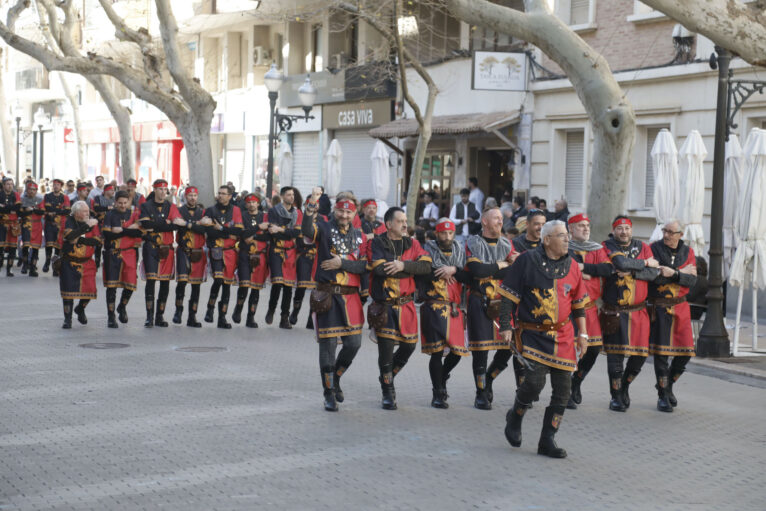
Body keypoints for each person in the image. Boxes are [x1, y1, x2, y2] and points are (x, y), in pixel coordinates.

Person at [498, 220, 589, 459]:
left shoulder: (574, 266)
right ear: (547, 239)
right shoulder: (526, 261)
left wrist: (584, 334)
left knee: (563, 391)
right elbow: (508, 296)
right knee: (535, 383)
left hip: (564, 336)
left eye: (567, 236)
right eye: (562, 236)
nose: (567, 240)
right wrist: (506, 327)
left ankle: (547, 439)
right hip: (533, 334)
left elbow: (579, 305)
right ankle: (516, 414)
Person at [302, 191, 367, 411]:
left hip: (351, 298)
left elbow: (363, 266)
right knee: (328, 347)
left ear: (354, 213)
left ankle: (336, 377)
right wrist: (311, 205)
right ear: (335, 211)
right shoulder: (324, 228)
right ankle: (328, 392)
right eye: (341, 211)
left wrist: (342, 263)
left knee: (354, 344)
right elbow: (307, 230)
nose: (345, 215)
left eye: (349, 212)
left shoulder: (360, 235)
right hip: (327, 295)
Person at [368, 207, 432, 410]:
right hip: (385, 306)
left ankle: (386, 377)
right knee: (386, 351)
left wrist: (404, 266)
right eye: (400, 221)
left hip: (407, 306)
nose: (405, 224)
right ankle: (388, 391)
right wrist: (410, 267)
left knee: (409, 346)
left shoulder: (413, 243)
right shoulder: (377, 242)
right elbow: (380, 269)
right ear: (388, 224)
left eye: (406, 221)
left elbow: (426, 267)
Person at [601, 216, 660, 412]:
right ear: (614, 230)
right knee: (616, 356)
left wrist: (633, 272)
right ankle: (616, 396)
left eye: (627, 228)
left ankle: (625, 385)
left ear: (631, 230)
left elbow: (654, 274)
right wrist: (645, 263)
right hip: (615, 312)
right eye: (620, 228)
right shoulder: (607, 245)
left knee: (640, 356)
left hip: (639, 312)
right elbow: (620, 263)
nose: (624, 232)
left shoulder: (643, 246)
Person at [465, 207, 516, 410]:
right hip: (480, 301)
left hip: (503, 302)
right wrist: (503, 265)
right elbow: (477, 271)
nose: (500, 222)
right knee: (481, 351)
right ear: (485, 222)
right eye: (496, 218)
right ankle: (480, 393)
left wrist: (498, 267)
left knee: (507, 348)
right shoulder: (473, 243)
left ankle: (488, 379)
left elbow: (514, 273)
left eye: (502, 218)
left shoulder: (507, 244)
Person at [419, 218, 470, 408]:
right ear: (437, 233)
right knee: (437, 351)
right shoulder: (427, 250)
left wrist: (454, 269)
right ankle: (438, 392)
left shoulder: (460, 251)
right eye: (443, 233)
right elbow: (423, 272)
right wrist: (442, 271)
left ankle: (442, 376)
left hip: (455, 308)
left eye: (450, 233)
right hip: (434, 306)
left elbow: (468, 275)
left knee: (458, 351)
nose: (447, 237)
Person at [648, 220, 698, 412]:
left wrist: (674, 273)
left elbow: (692, 280)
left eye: (671, 232)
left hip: (681, 308)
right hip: (660, 307)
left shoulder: (688, 252)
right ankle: (662, 395)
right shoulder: (653, 249)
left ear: (680, 234)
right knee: (662, 354)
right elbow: (654, 276)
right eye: (665, 231)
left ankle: (667, 384)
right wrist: (680, 272)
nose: (667, 235)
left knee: (685, 353)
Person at [566, 213, 614, 409]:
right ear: (571, 229)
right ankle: (564, 392)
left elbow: (607, 269)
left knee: (593, 349)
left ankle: (576, 381)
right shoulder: (564, 247)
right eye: (580, 226)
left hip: (589, 308)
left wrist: (585, 268)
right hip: (568, 309)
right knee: (568, 350)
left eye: (587, 225)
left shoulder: (597, 248)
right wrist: (581, 273)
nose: (586, 229)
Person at [139, 179, 183, 328]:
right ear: (154, 190)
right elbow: (146, 224)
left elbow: (177, 224)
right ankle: (149, 316)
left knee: (165, 282)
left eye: (165, 190)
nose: (163, 192)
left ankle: (160, 315)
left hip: (167, 249)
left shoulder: (171, 206)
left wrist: (158, 225)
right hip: (151, 247)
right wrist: (166, 224)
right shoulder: (146, 206)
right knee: (151, 281)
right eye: (160, 189)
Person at [202, 185, 243, 328]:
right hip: (216, 250)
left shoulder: (236, 210)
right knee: (218, 279)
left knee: (227, 285)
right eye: (219, 193)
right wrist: (227, 233)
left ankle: (222, 317)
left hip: (231, 252)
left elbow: (238, 231)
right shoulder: (210, 210)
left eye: (223, 193)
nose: (220, 196)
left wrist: (220, 228)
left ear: (230, 196)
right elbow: (209, 233)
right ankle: (210, 308)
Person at [102, 190, 143, 328]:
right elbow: (108, 235)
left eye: (125, 203)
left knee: (130, 284)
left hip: (129, 253)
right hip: (112, 253)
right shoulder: (110, 215)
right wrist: (127, 230)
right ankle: (111, 316)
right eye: (120, 203)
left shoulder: (133, 215)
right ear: (115, 202)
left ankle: (122, 306)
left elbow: (138, 232)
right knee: (112, 287)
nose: (123, 205)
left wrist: (121, 230)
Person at [173, 186, 211, 327]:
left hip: (198, 251)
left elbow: (204, 229)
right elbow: (178, 226)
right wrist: (196, 224)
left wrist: (188, 224)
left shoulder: (202, 212)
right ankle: (178, 311)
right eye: (190, 195)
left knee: (196, 286)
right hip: (184, 250)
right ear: (185, 196)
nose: (193, 198)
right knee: (182, 283)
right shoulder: (179, 211)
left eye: (195, 195)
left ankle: (192, 316)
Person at [264, 186, 302, 329]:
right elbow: (273, 232)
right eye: (288, 194)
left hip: (291, 251)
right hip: (277, 249)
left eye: (293, 194)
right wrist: (285, 232)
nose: (291, 197)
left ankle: (284, 318)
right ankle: (271, 309)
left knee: (288, 287)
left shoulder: (297, 213)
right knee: (278, 282)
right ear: (282, 196)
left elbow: (297, 233)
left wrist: (281, 229)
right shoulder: (274, 211)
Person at [59, 201, 101, 328]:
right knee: (68, 292)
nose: (88, 213)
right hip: (69, 261)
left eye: (88, 211)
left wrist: (78, 239)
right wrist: (85, 227)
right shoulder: (69, 221)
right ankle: (68, 319)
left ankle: (80, 309)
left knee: (90, 290)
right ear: (76, 213)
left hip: (87, 262)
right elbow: (69, 236)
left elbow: (97, 241)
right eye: (84, 211)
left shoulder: (93, 223)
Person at [232, 193, 269, 328]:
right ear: (246, 204)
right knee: (244, 285)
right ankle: (238, 308)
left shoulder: (265, 216)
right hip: (244, 254)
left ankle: (251, 317)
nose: (252, 204)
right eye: (249, 202)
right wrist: (258, 228)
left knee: (256, 288)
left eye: (254, 202)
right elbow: (243, 235)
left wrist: (253, 236)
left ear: (258, 203)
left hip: (260, 256)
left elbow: (267, 236)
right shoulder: (241, 216)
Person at [290, 193, 319, 329]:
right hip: (304, 256)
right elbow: (297, 237)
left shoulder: (323, 220)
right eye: (309, 203)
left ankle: (311, 318)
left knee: (316, 290)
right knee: (301, 287)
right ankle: (295, 312)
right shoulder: (300, 218)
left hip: (317, 258)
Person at [359, 198, 387, 302]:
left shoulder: (381, 225)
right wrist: (366, 236)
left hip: (377, 262)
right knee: (362, 296)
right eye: (368, 208)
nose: (371, 210)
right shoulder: (358, 224)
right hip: (362, 262)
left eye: (374, 208)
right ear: (363, 209)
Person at [41, 178, 70, 275]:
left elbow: (67, 210)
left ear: (61, 186)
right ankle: (47, 262)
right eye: (54, 184)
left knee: (58, 247)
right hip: (50, 224)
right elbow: (48, 207)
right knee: (49, 245)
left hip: (61, 225)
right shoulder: (48, 196)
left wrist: (54, 211)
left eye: (58, 185)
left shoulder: (65, 197)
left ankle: (56, 267)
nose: (56, 186)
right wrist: (59, 210)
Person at [18, 182, 44, 276]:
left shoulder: (40, 199)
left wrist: (32, 210)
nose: (32, 191)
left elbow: (41, 212)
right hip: (26, 225)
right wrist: (30, 211)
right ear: (27, 190)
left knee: (35, 248)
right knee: (25, 246)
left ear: (36, 191)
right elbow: (20, 213)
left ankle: (33, 268)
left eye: (34, 189)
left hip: (37, 226)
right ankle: (25, 265)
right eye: (30, 189)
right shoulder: (22, 200)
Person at [90, 184, 116, 269]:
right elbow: (97, 208)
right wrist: (108, 208)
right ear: (106, 191)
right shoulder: (98, 198)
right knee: (98, 243)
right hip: (100, 223)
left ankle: (107, 262)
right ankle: (97, 261)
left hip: (111, 224)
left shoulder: (114, 199)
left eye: (113, 190)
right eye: (111, 190)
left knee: (109, 243)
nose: (113, 192)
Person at [0, 177, 21, 276]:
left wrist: (4, 207)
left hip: (13, 225)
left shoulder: (16, 195)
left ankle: (9, 269)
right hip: (1, 223)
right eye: (8, 184)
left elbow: (17, 208)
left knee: (12, 248)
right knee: (0, 248)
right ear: (3, 185)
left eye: (11, 184)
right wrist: (9, 209)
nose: (10, 186)